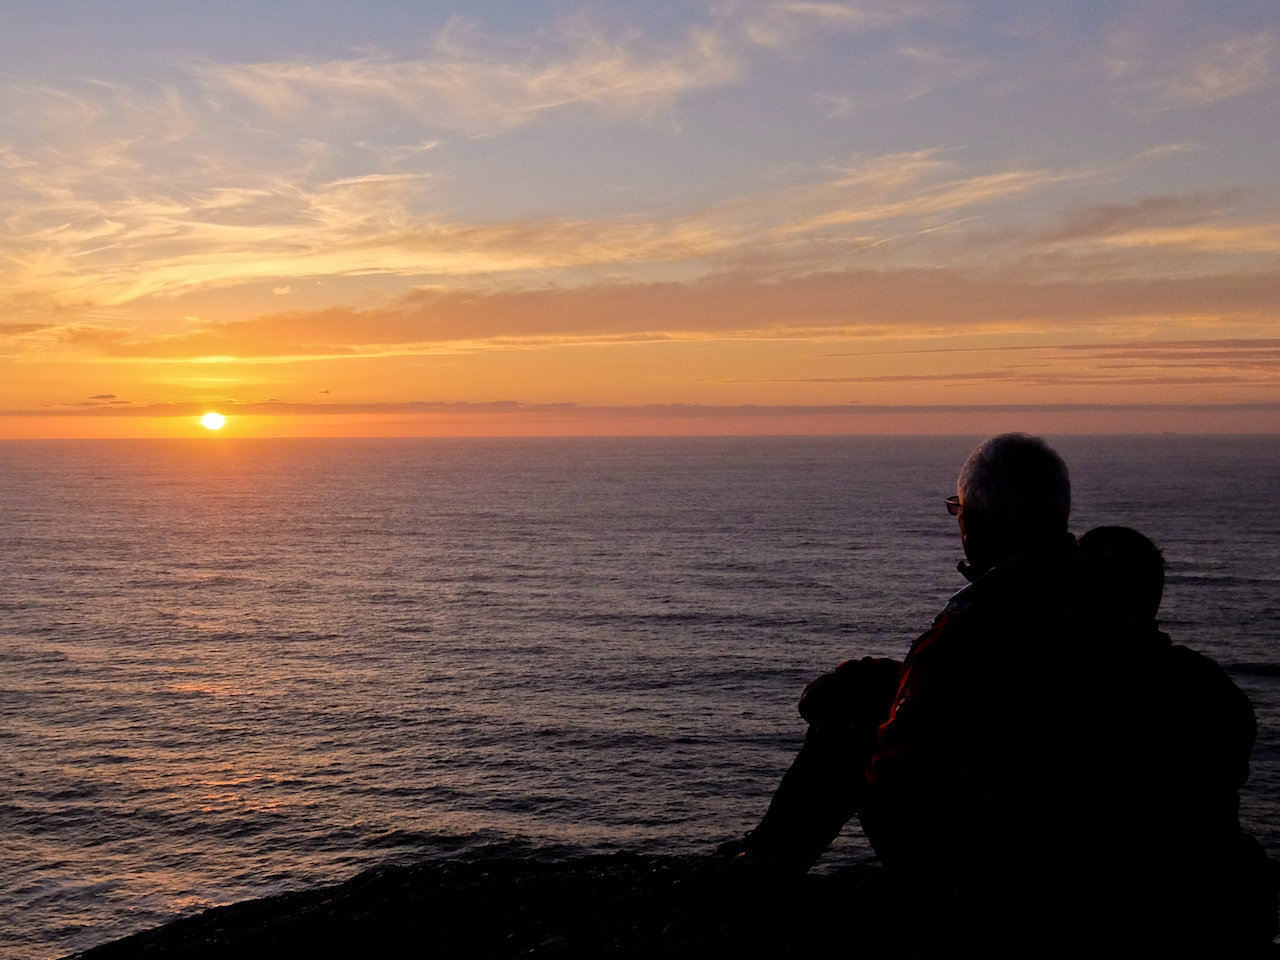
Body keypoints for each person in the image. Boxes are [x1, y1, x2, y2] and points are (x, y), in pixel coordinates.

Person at [724, 434, 1277, 954]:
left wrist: (873, 722)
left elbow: (898, 780)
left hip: (1004, 886)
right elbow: (1046, 690)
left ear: (975, 522)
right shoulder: (1111, 611)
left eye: (957, 512)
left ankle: (755, 876)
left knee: (846, 726)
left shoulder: (971, 626)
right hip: (1123, 872)